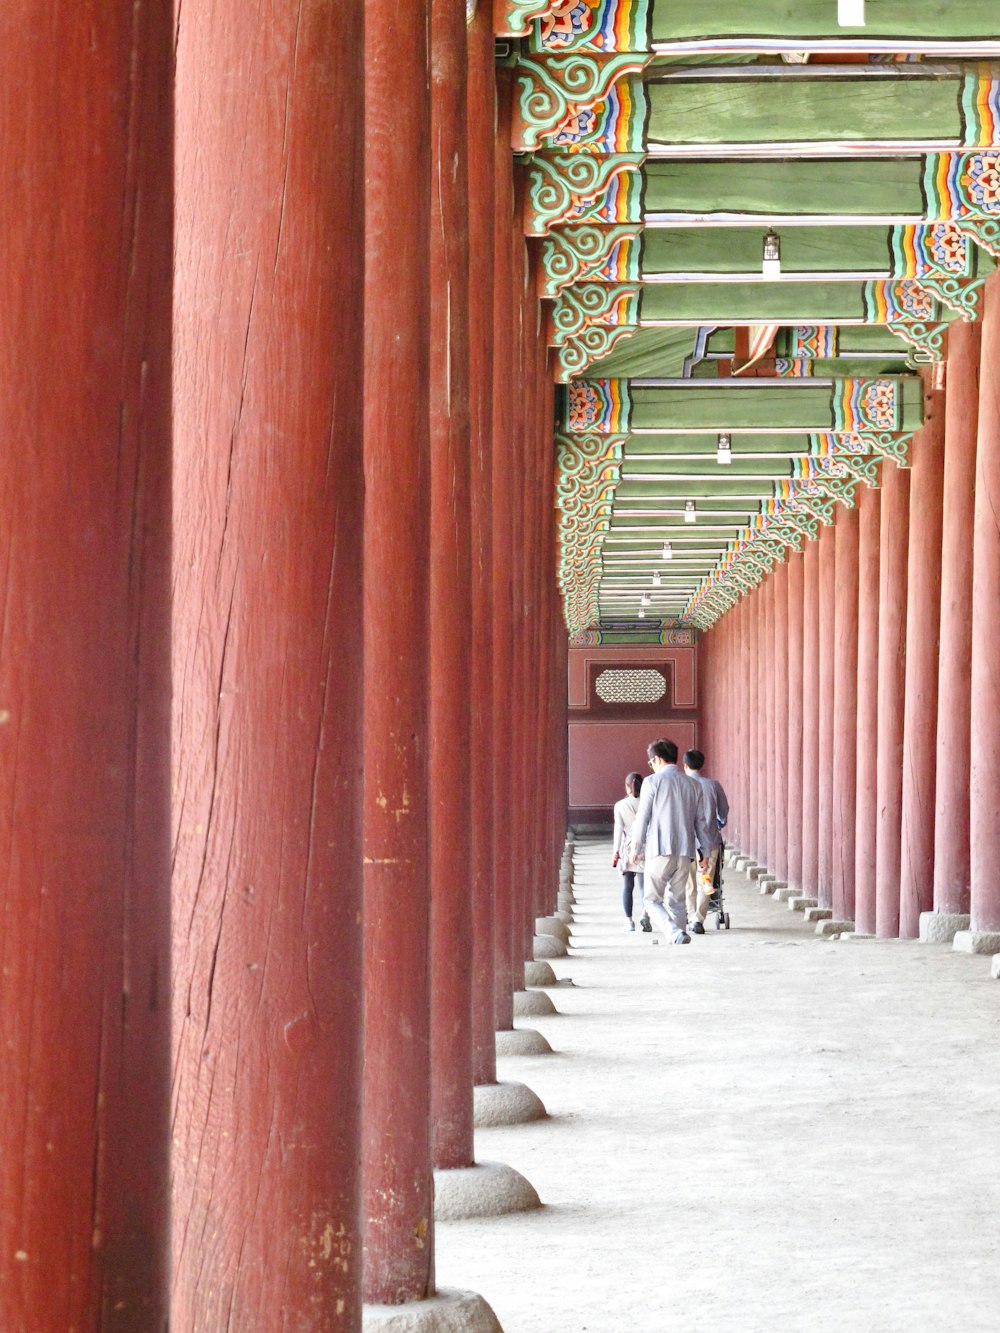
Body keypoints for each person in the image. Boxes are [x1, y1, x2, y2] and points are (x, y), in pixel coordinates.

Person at [629, 738, 710, 945]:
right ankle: (681, 934)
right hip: (685, 851)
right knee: (677, 900)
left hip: (659, 849)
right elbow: (700, 821)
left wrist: (635, 847)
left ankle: (673, 932)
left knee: (651, 899)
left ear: (656, 759)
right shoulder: (693, 784)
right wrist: (705, 852)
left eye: (650, 763)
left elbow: (642, 818)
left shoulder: (652, 782)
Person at [682, 749, 730, 934]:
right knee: (706, 880)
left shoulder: (682, 785)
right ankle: (698, 920)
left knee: (689, 883)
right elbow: (724, 810)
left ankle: (691, 914)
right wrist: (718, 823)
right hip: (709, 841)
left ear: (685, 765)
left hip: (687, 843)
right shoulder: (713, 785)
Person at [611, 772, 651, 933]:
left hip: (626, 850)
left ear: (627, 787)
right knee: (644, 887)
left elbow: (618, 830)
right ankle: (645, 914)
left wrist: (615, 851)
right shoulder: (648, 804)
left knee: (627, 887)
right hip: (644, 848)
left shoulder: (620, 805)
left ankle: (629, 921)